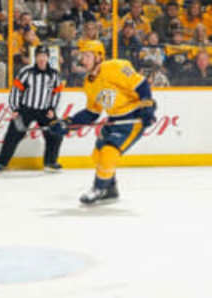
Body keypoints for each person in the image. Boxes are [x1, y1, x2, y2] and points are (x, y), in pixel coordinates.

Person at [50, 40, 157, 205]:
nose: (83, 59)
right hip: (114, 120)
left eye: (87, 55)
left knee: (108, 152)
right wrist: (68, 123)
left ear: (99, 57)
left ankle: (98, 188)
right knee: (97, 154)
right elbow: (91, 113)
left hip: (132, 118)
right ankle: (110, 188)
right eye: (82, 56)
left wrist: (147, 106)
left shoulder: (115, 67)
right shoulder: (90, 82)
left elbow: (141, 84)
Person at [0, 45, 65, 173]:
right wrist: (15, 108)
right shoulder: (26, 72)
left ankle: (50, 162)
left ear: (48, 58)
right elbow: (16, 91)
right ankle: (1, 163)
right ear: (35, 57)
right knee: (13, 134)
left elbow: (57, 93)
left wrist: (53, 110)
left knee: (56, 132)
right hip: (25, 109)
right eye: (39, 56)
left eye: (44, 56)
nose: (42, 58)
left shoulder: (54, 74)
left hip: (45, 111)